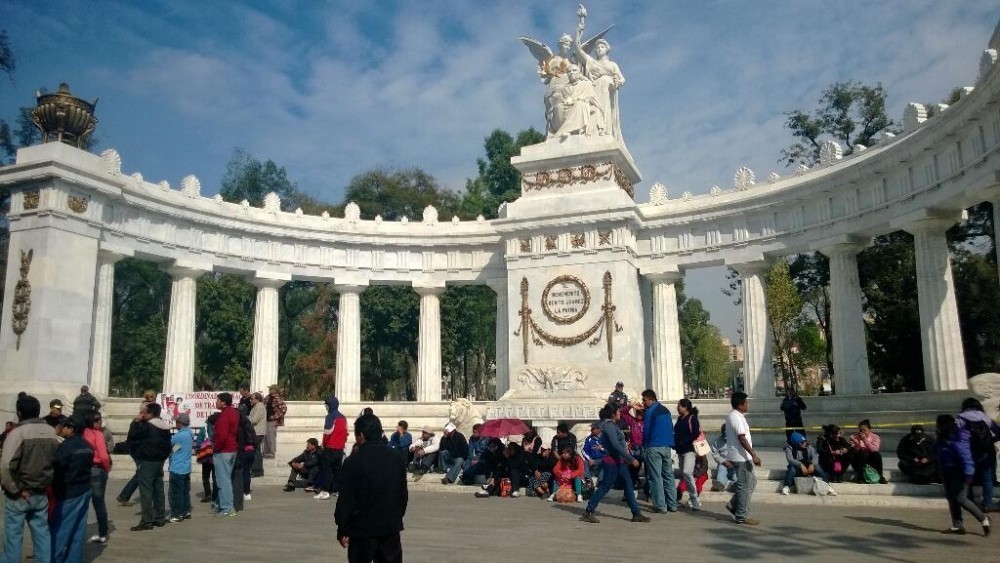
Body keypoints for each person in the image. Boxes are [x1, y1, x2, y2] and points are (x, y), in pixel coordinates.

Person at [335, 414, 407, 563]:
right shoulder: (396, 458)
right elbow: (402, 495)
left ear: (361, 435)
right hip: (390, 528)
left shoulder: (353, 461)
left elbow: (346, 500)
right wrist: (395, 518)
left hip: (361, 530)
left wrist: (343, 528)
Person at [1, 395, 59, 563]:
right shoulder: (51, 432)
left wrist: (16, 489)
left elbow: (6, 466)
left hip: (19, 494)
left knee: (13, 538)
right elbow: (57, 462)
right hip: (41, 492)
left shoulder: (17, 433)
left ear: (19, 413)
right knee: (42, 535)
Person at [580, 404, 650, 524]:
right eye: (617, 411)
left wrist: (630, 405)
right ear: (613, 414)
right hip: (612, 462)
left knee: (628, 485)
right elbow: (616, 445)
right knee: (605, 487)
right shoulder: (609, 426)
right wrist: (631, 458)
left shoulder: (610, 424)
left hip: (619, 461)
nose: (619, 413)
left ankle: (636, 513)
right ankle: (589, 511)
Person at [936, 414, 990, 536]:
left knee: (960, 498)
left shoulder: (957, 437)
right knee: (951, 498)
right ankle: (957, 525)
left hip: (959, 472)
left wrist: (969, 474)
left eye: (938, 424)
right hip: (946, 471)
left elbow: (965, 457)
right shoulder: (941, 437)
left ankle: (983, 518)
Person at [50, 417, 94, 563]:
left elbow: (56, 468)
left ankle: (54, 559)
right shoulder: (88, 446)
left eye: (63, 426)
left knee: (61, 530)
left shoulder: (66, 446)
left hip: (69, 492)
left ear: (71, 429)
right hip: (84, 489)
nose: (60, 428)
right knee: (78, 530)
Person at [573, 23, 625, 141]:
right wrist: (578, 32)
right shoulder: (592, 62)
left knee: (605, 111)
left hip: (607, 90)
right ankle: (592, 133)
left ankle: (605, 132)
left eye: (602, 47)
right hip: (594, 89)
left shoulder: (612, 65)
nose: (599, 49)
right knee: (593, 111)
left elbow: (622, 79)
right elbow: (577, 49)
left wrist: (618, 83)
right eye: (597, 48)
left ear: (607, 49)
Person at [127, 401, 171, 530]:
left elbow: (132, 436)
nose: (143, 415)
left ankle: (146, 521)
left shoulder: (147, 426)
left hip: (146, 461)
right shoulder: (165, 427)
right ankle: (159, 517)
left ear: (150, 414)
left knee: (146, 491)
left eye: (144, 413)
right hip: (159, 461)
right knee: (158, 490)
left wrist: (136, 422)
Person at [956, 398, 1000, 511]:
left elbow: (956, 436)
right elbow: (998, 432)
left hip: (968, 452)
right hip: (987, 451)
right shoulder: (984, 417)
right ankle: (987, 504)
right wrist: (991, 441)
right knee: (987, 479)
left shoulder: (961, 418)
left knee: (968, 477)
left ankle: (968, 501)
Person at [726, 392, 762, 525]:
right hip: (740, 457)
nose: (747, 404)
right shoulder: (735, 417)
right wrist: (754, 455)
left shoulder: (736, 416)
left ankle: (734, 504)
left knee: (751, 482)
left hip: (742, 456)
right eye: (746, 402)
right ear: (740, 405)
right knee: (744, 486)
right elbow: (741, 437)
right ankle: (741, 515)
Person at [641, 389, 677, 513]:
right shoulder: (666, 410)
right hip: (667, 446)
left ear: (651, 400)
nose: (643, 403)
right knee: (668, 476)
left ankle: (660, 506)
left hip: (654, 446)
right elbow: (671, 427)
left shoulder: (650, 412)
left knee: (655, 477)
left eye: (645, 400)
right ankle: (672, 504)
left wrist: (644, 446)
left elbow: (646, 430)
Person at [82, 412, 112, 544]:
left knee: (83, 503)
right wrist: (107, 468)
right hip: (97, 468)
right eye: (96, 420)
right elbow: (104, 455)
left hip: (85, 469)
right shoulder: (98, 434)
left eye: (99, 419)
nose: (99, 422)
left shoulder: (83, 434)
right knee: (99, 502)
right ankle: (103, 533)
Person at [212, 392, 240, 517]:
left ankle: (227, 507)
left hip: (224, 450)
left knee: (223, 481)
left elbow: (222, 436)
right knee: (226, 479)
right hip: (232, 448)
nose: (216, 403)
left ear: (223, 402)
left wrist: (216, 447)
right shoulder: (233, 412)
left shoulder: (224, 415)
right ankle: (221, 504)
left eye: (217, 400)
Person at [781, 432, 836, 496]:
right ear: (796, 443)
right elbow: (790, 459)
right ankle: (786, 487)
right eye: (802, 442)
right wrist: (800, 465)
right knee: (791, 467)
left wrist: (812, 464)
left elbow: (815, 457)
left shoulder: (809, 447)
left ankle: (827, 486)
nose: (805, 443)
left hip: (809, 469)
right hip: (798, 470)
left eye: (805, 441)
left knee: (817, 466)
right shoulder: (790, 448)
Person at [673, 398, 702, 510]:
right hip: (680, 451)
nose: (678, 408)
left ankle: (695, 499)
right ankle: (692, 499)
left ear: (685, 407)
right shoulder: (679, 419)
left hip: (689, 450)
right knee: (684, 475)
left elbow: (695, 433)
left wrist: (684, 441)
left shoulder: (692, 418)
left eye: (679, 406)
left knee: (687, 473)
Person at [317, 396, 347, 500]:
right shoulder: (343, 417)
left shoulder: (330, 417)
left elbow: (327, 432)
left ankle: (325, 491)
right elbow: (345, 433)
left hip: (330, 447)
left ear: (330, 405)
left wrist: (323, 444)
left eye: (326, 405)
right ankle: (337, 490)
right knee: (337, 470)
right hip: (340, 448)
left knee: (327, 469)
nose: (326, 407)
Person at [168, 413, 193, 523]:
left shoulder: (179, 436)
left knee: (176, 493)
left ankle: (177, 514)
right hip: (186, 467)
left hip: (177, 467)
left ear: (180, 423)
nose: (175, 424)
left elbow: (170, 446)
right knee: (185, 491)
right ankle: (185, 511)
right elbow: (178, 447)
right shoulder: (190, 433)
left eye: (176, 422)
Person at [849, 420, 887, 484]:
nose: (862, 432)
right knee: (861, 454)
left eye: (864, 430)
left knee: (877, 455)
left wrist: (865, 440)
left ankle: (880, 476)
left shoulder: (875, 437)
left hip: (870, 459)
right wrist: (859, 442)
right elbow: (854, 450)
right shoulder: (853, 437)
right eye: (860, 430)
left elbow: (874, 449)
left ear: (869, 430)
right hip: (859, 459)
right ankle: (860, 477)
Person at [710, 424, 736, 492]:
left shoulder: (737, 440)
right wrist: (723, 461)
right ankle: (720, 485)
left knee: (736, 474)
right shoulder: (717, 441)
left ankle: (735, 485)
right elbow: (715, 454)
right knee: (721, 470)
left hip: (735, 462)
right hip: (723, 463)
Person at [263, 384, 287, 459]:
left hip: (272, 421)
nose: (269, 390)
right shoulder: (267, 397)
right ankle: (266, 452)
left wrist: (275, 416)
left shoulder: (278, 398)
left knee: (271, 437)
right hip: (265, 420)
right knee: (265, 437)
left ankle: (271, 452)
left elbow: (283, 409)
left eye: (271, 389)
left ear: (275, 390)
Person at [248, 392, 266, 478]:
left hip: (257, 432)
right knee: (256, 450)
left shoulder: (259, 407)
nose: (250, 400)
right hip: (257, 432)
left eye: (252, 399)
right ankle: (257, 470)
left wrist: (245, 419)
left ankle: (257, 470)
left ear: (257, 399)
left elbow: (254, 420)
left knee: (256, 452)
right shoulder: (257, 406)